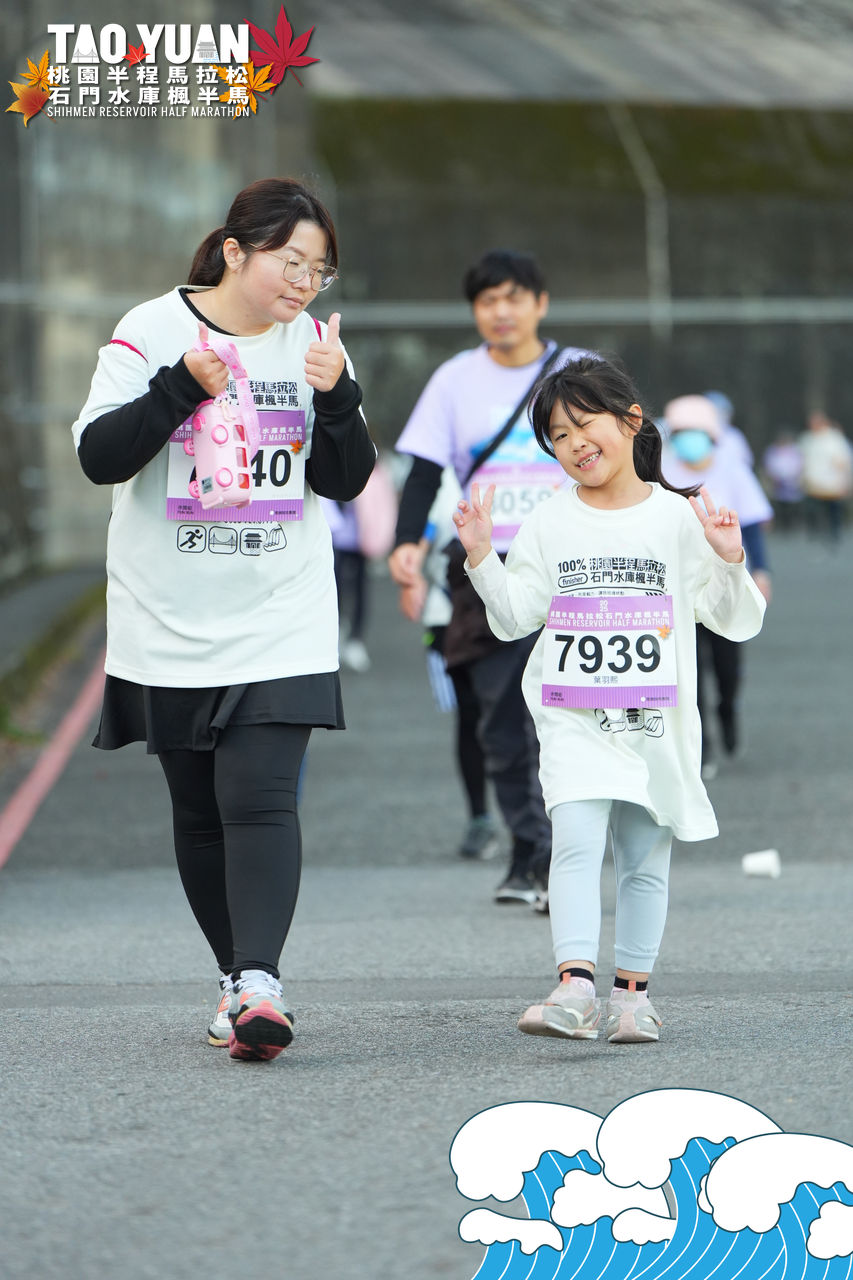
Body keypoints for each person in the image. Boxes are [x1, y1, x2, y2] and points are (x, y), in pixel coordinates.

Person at [71, 178, 375, 1062]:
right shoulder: (149, 330)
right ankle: (235, 979)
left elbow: (344, 480)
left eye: (319, 269)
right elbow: (99, 456)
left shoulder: (315, 345)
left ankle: (261, 983)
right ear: (236, 252)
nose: (304, 283)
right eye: (291, 262)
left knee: (261, 796)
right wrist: (178, 388)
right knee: (200, 811)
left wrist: (337, 398)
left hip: (282, 611)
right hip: (166, 615)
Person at [452, 356, 765, 1043]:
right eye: (557, 437)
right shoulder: (549, 520)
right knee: (574, 840)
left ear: (630, 421)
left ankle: (632, 998)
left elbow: (734, 619)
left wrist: (729, 559)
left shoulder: (678, 517)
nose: (572, 444)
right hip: (573, 717)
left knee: (643, 857)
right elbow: (514, 618)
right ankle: (575, 988)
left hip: (654, 719)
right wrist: (481, 557)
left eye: (582, 424)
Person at [389, 249, 589, 908]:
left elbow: (630, 456)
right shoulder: (454, 380)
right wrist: (406, 543)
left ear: (540, 303)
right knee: (501, 719)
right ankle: (529, 849)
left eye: (513, 297)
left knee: (572, 715)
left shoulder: (580, 371)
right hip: (486, 567)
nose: (501, 312)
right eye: (487, 301)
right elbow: (423, 470)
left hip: (576, 565)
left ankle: (568, 853)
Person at [661, 394, 772, 777]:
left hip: (725, 580)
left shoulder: (732, 468)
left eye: (694, 432)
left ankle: (728, 711)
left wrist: (762, 572)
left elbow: (752, 526)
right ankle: (701, 746)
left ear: (711, 435)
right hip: (679, 586)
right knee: (688, 670)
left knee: (727, 666)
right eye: (680, 433)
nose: (686, 440)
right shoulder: (659, 468)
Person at [799, 411, 852, 546]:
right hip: (813, 483)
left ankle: (834, 534)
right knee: (813, 510)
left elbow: (843, 459)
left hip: (831, 483)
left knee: (833, 511)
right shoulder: (807, 439)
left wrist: (844, 480)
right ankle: (815, 533)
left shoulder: (834, 438)